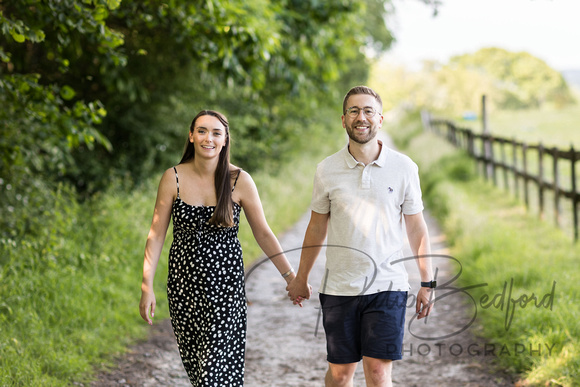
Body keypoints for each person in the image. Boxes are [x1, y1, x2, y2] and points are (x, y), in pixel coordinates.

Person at [139, 109, 305, 386]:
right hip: (183, 289)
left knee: (212, 375)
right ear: (191, 136)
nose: (209, 138)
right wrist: (146, 287)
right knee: (197, 370)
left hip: (225, 290)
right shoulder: (173, 178)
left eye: (216, 133)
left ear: (225, 139)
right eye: (202, 131)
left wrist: (291, 277)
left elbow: (263, 233)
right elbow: (156, 234)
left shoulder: (239, 180)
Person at [287, 86, 435, 387]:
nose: (361, 117)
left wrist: (427, 281)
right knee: (341, 375)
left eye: (368, 111)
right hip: (339, 287)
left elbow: (417, 227)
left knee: (379, 374)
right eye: (354, 111)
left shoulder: (404, 168)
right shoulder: (327, 169)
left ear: (380, 119)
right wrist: (300, 277)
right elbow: (316, 227)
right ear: (344, 120)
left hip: (388, 285)